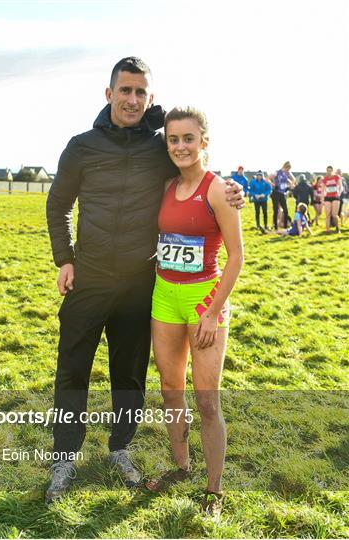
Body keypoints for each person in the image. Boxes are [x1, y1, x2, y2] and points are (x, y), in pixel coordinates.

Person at [45, 57, 244, 504]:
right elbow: (57, 208)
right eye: (125, 90)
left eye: (141, 93)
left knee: (129, 377)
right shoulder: (80, 147)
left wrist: (232, 189)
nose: (132, 99)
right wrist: (65, 258)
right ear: (109, 93)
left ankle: (120, 448)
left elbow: (191, 155)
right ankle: (64, 457)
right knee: (73, 373)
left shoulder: (160, 148)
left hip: (140, 285)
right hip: (88, 280)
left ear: (150, 98)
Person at [145, 106, 244, 522]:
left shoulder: (220, 190)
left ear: (204, 142)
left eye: (189, 138)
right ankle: (181, 466)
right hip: (164, 297)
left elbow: (237, 257)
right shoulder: (165, 186)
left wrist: (212, 313)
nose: (181, 146)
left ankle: (213, 490)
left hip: (205, 300)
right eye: (173, 139)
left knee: (206, 401)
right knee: (170, 389)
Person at [271, 161, 296, 229]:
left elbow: (294, 179)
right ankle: (275, 226)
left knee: (285, 210)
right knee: (276, 210)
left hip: (282, 193)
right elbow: (267, 178)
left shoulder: (288, 173)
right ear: (285, 167)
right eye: (287, 168)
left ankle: (285, 227)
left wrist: (290, 184)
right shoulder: (277, 172)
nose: (288, 170)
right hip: (275, 192)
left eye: (289, 169)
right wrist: (272, 184)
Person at [321, 165, 342, 233]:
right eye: (328, 171)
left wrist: (339, 192)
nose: (329, 172)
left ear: (332, 171)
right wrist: (322, 200)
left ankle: (337, 227)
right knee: (327, 214)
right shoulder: (325, 179)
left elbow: (341, 187)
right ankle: (327, 230)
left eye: (330, 171)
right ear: (326, 171)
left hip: (335, 197)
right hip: (327, 197)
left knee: (334, 214)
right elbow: (322, 190)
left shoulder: (336, 177)